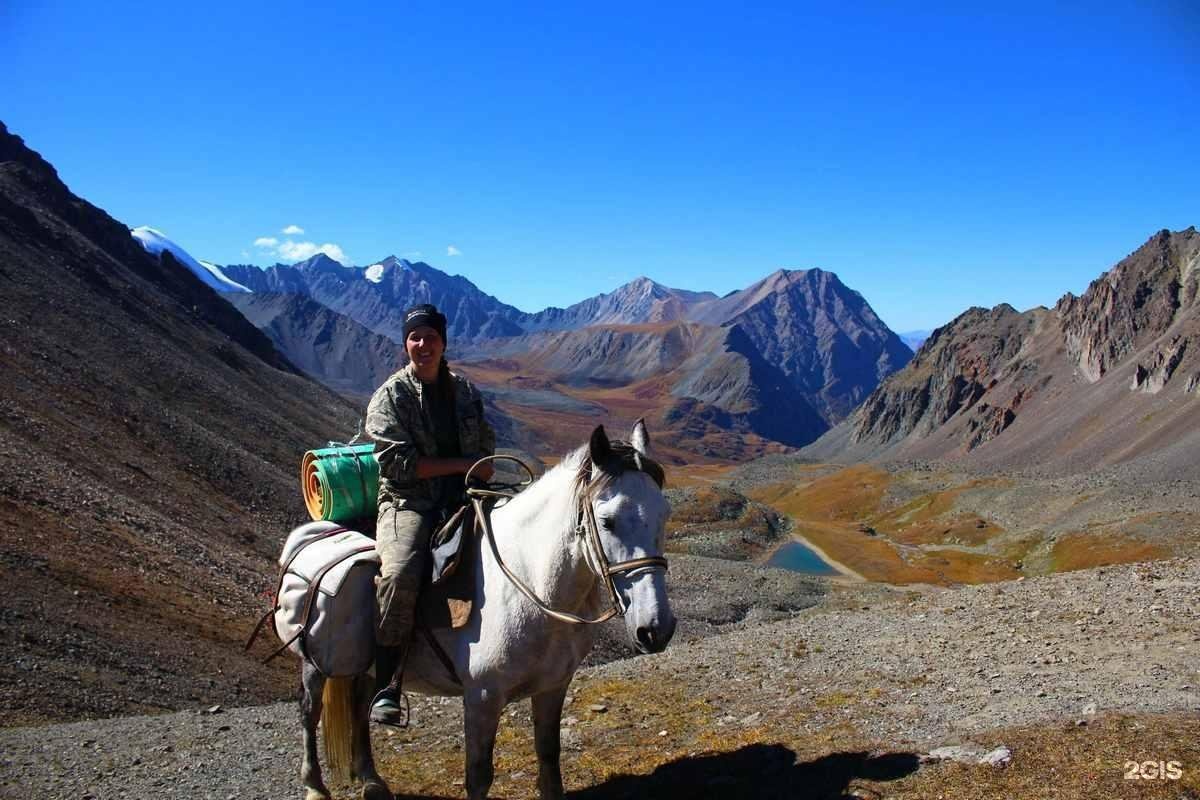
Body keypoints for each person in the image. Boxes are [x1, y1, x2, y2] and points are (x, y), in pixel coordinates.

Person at [364, 303, 495, 725]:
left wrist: (480, 467)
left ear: (444, 342)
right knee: (401, 572)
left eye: (431, 337)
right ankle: (387, 683)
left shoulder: (467, 393)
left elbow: (486, 446)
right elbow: (398, 464)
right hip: (409, 502)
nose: (424, 345)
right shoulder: (390, 397)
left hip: (466, 495)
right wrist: (463, 464)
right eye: (415, 337)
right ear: (406, 344)